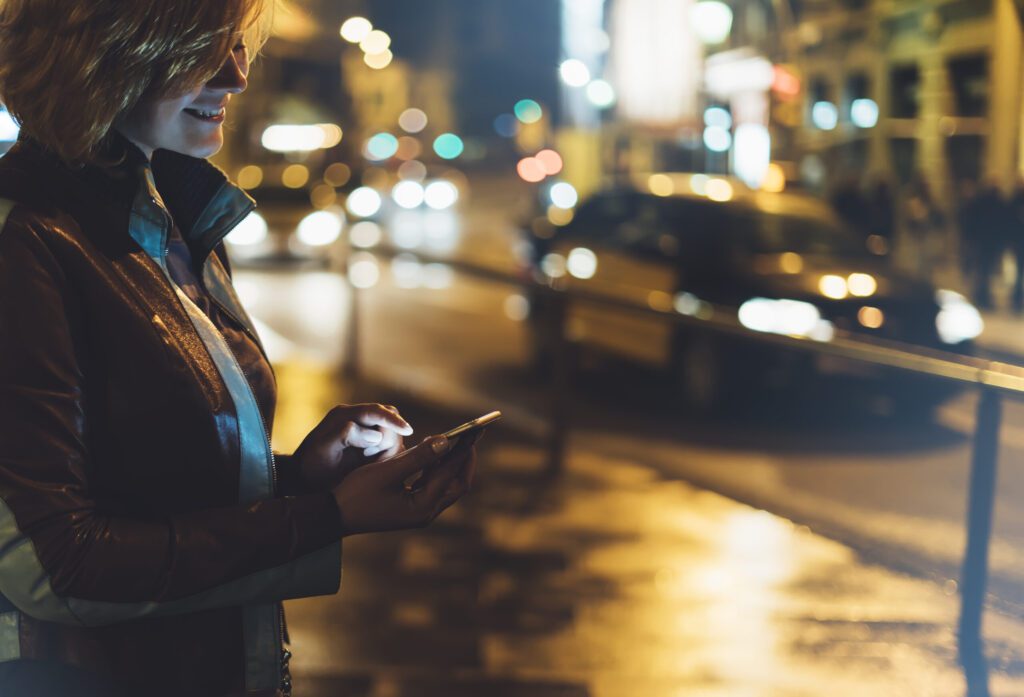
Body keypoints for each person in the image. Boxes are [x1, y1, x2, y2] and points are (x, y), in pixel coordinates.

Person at [0, 1, 476, 695]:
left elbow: (143, 481)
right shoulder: (25, 241)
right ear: (103, 51)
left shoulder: (163, 218)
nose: (236, 75)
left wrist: (303, 477)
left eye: (235, 44)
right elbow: (53, 563)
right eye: (201, 48)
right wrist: (326, 517)